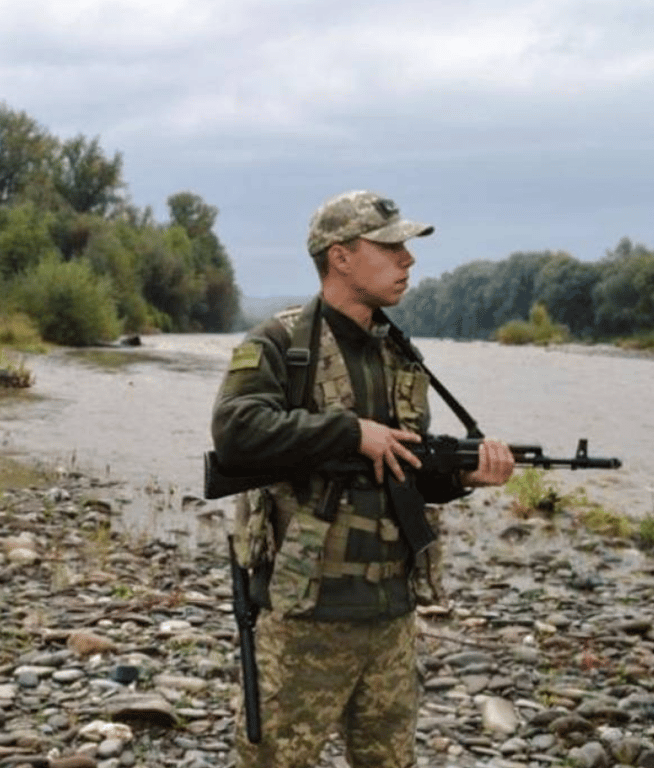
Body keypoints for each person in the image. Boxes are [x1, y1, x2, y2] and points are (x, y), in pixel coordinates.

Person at [211, 190, 516, 768]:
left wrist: (464, 476)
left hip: (390, 615)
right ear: (341, 257)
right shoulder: (279, 343)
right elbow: (235, 431)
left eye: (406, 248)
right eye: (391, 247)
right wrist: (350, 433)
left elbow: (406, 472)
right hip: (306, 616)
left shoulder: (398, 353)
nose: (408, 260)